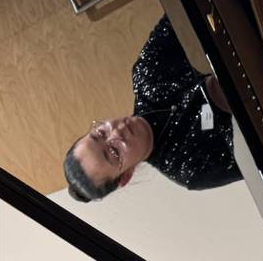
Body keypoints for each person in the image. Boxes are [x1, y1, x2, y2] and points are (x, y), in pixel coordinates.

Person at [64, 15, 242, 201]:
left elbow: (185, 11)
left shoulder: (146, 75)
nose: (117, 132)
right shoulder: (191, 168)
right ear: (126, 177)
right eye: (114, 152)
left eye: (101, 133)